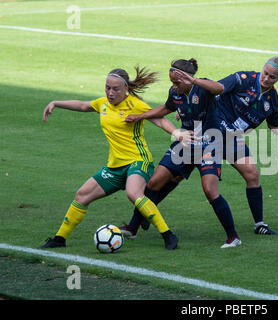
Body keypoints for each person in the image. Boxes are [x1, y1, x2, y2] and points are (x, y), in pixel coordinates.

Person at [38, 66, 179, 250]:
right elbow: (83, 105)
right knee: (81, 195)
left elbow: (159, 119)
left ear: (126, 88)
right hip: (115, 166)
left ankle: (168, 235)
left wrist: (177, 132)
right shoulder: (103, 104)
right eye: (107, 88)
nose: (110, 93)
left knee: (133, 193)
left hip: (138, 161)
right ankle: (60, 239)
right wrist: (56, 102)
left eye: (115, 89)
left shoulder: (134, 105)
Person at [121, 58, 241, 248]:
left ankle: (233, 237)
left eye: (177, 83)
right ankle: (133, 227)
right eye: (172, 83)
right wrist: (139, 116)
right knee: (154, 182)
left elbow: (219, 88)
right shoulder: (174, 92)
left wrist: (193, 81)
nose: (174, 87)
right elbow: (166, 108)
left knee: (210, 190)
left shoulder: (202, 87)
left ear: (188, 78)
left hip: (209, 143)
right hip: (186, 142)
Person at [215, 57, 278, 235]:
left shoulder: (272, 100)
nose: (266, 78)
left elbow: (274, 126)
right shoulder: (243, 79)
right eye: (265, 73)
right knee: (176, 174)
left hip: (232, 138)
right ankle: (148, 208)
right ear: (262, 69)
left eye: (272, 77)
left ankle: (259, 224)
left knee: (252, 174)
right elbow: (213, 89)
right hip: (211, 130)